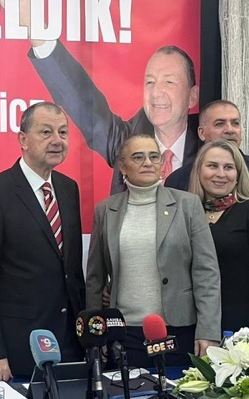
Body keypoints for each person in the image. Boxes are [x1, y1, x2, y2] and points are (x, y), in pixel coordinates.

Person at [0, 0, 199, 193]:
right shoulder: (127, 141)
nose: (156, 93)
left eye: (169, 82)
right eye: (150, 82)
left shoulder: (209, 142)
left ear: (192, 96)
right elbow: (81, 100)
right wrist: (33, 22)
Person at [0, 102, 85, 380]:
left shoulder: (68, 189)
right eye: (46, 132)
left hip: (69, 341)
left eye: (63, 132)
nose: (57, 140)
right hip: (19, 345)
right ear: (23, 139)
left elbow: (71, 271)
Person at [86, 134, 220, 368]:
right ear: (123, 166)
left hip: (177, 329)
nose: (147, 163)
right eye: (138, 157)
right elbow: (95, 279)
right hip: (124, 332)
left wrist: (208, 332)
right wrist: (95, 335)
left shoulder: (187, 205)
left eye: (154, 156)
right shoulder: (105, 210)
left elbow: (206, 273)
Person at [165, 100, 249, 328]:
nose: (230, 129)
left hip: (247, 310)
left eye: (235, 123)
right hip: (190, 313)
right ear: (202, 133)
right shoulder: (177, 181)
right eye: (220, 123)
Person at [188, 140, 249, 331]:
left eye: (229, 167)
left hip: (242, 324)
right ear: (198, 171)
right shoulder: (186, 213)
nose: (221, 174)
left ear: (238, 175)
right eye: (212, 166)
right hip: (194, 322)